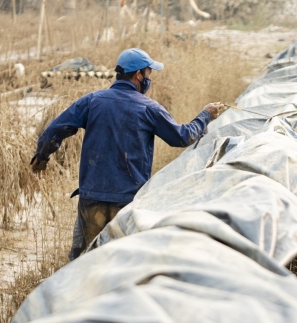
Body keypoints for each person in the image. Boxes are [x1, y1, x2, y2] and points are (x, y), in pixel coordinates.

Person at [30, 48, 225, 261]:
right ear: (138, 75)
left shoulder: (92, 101)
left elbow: (54, 130)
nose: (149, 79)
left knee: (84, 261)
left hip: (92, 198)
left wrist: (42, 156)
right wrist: (205, 116)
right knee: (124, 261)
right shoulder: (149, 108)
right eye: (149, 73)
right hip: (128, 201)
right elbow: (181, 137)